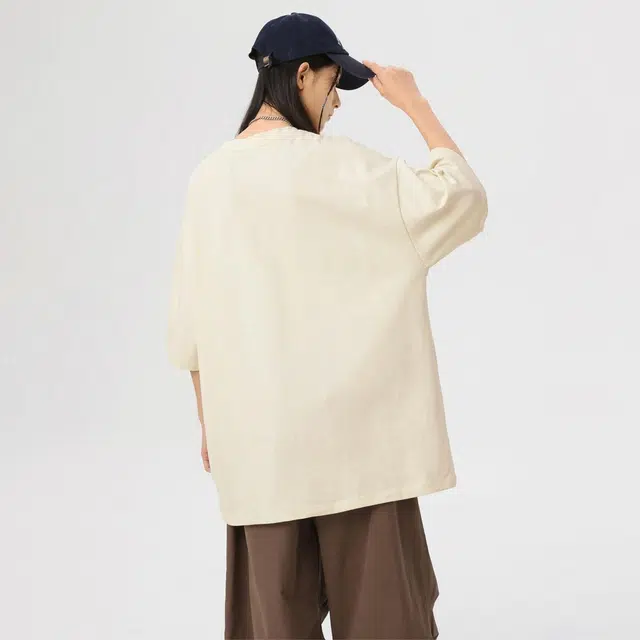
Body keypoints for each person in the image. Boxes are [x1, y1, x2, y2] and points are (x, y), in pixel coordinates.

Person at [167, 12, 488, 640]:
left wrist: (211, 423)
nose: (336, 103)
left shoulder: (209, 180)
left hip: (261, 446)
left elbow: (190, 327)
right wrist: (414, 103)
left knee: (273, 623)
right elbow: (464, 198)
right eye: (334, 84)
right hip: (360, 448)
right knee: (386, 621)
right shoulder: (353, 171)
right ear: (302, 75)